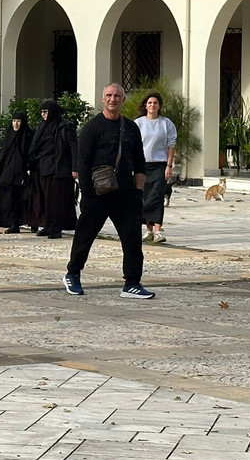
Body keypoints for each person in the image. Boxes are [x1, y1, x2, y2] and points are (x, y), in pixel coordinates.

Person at [64, 83, 154, 300]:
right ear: (103, 99)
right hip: (97, 193)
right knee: (85, 236)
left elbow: (140, 161)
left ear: (123, 100)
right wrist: (87, 194)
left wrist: (138, 191)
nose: (113, 99)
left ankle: (132, 283)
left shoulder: (131, 128)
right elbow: (82, 163)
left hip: (125, 194)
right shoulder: (92, 128)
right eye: (109, 96)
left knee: (132, 239)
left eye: (117, 96)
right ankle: (73, 274)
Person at [27, 100, 78, 238]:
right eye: (42, 112)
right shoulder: (42, 127)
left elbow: (73, 147)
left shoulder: (65, 126)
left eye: (46, 112)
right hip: (42, 168)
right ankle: (47, 225)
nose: (43, 115)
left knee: (55, 200)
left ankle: (55, 228)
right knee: (44, 199)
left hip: (59, 169)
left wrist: (75, 168)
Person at [135, 91, 177, 244]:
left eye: (155, 103)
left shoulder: (166, 124)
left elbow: (171, 146)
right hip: (143, 164)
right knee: (145, 196)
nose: (152, 105)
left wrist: (169, 165)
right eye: (150, 103)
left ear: (159, 106)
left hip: (160, 165)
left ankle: (158, 230)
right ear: (145, 105)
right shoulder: (138, 123)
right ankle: (148, 230)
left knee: (157, 197)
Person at [0, 111, 33, 233]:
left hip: (22, 172)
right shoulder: (9, 135)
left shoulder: (27, 136)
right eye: (14, 121)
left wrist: (28, 168)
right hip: (8, 172)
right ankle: (11, 223)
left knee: (22, 198)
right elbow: (4, 154)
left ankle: (29, 222)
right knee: (6, 197)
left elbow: (30, 153)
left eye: (18, 121)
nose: (16, 124)